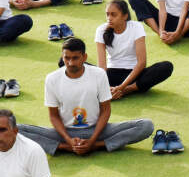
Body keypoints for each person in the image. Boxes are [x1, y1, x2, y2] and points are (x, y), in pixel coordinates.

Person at [16, 37, 155, 155]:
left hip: (98, 130)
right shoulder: (52, 79)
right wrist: (68, 141)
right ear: (62, 57)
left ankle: (98, 146)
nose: (70, 63)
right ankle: (65, 148)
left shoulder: (99, 74)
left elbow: (106, 110)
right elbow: (53, 115)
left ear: (84, 57)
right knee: (14, 129)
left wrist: (93, 140)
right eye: (66, 58)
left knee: (146, 125)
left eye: (75, 58)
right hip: (65, 133)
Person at [95, 0, 174, 98]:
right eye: (107, 14)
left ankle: (128, 90)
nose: (109, 18)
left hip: (134, 75)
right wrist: (103, 86)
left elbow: (142, 63)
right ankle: (111, 90)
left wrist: (122, 88)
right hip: (111, 74)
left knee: (166, 66)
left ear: (125, 16)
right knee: (82, 66)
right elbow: (102, 67)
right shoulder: (101, 30)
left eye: (113, 15)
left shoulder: (136, 27)